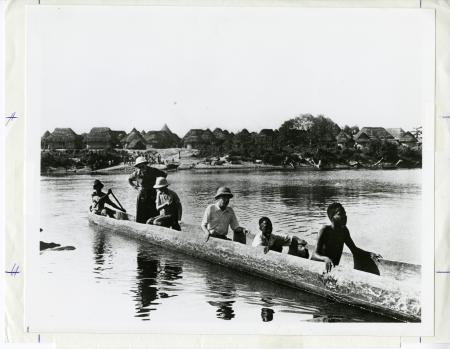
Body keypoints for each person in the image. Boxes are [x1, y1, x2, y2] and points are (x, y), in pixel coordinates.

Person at [311, 202, 382, 274]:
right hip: (318, 268)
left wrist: (370, 254)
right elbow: (314, 255)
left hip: (333, 269)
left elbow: (354, 250)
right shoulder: (324, 230)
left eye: (345, 213)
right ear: (332, 217)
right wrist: (325, 259)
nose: (344, 216)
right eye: (340, 214)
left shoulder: (344, 231)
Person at [128, 156, 167, 223]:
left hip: (152, 193)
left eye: (142, 166)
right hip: (142, 194)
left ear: (145, 164)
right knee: (141, 212)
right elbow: (129, 179)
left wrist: (158, 184)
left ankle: (153, 224)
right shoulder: (136, 173)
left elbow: (164, 174)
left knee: (153, 211)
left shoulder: (153, 170)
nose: (141, 168)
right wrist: (136, 187)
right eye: (139, 167)